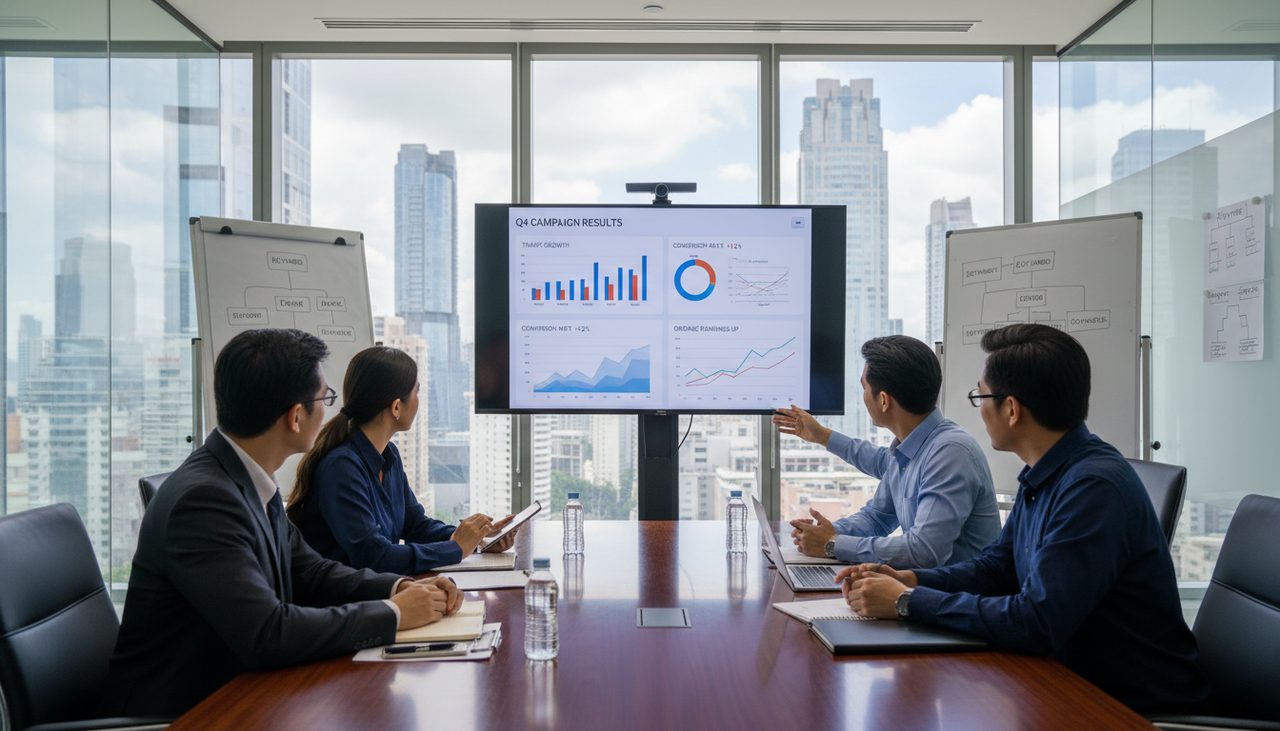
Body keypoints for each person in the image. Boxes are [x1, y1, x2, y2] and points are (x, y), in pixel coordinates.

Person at [839, 324, 1208, 714]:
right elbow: (998, 568)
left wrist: (907, 602)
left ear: (1012, 410)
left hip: (1126, 705)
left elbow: (1037, 621)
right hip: (1066, 679)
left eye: (981, 396)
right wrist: (912, 580)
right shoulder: (1049, 472)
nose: (980, 410)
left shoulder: (1092, 489)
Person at [103, 329, 462, 718]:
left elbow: (312, 571)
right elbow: (267, 632)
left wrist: (401, 587)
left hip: (245, 689)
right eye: (324, 398)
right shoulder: (204, 501)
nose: (329, 410)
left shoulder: (246, 477)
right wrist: (394, 614)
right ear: (295, 416)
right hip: (188, 711)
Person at [773, 335, 998, 568]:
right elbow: (877, 518)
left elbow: (925, 551)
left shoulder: (950, 453)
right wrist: (825, 533)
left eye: (864, 387)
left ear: (883, 400)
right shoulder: (905, 450)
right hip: (925, 584)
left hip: (959, 590)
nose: (862, 396)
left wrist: (832, 544)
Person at [288, 346, 517, 573]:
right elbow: (375, 556)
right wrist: (456, 548)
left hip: (377, 589)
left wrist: (476, 538)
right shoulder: (342, 468)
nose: (419, 401)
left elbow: (415, 525)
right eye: (417, 392)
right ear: (396, 407)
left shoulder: (389, 455)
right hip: (343, 595)